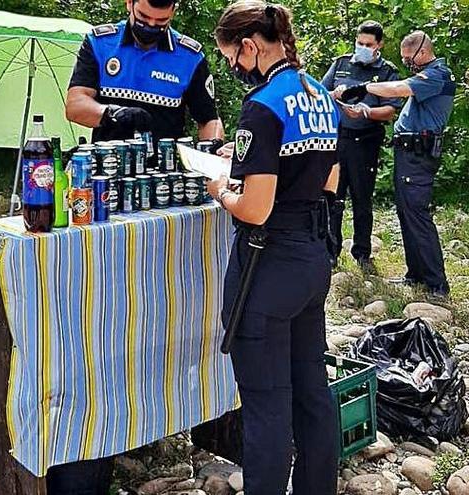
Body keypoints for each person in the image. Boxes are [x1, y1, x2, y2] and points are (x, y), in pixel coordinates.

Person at [207, 1, 340, 493]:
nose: (234, 68)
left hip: (268, 262)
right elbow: (330, 175)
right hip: (311, 257)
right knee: (311, 392)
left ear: (249, 46)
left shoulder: (262, 105)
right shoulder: (319, 93)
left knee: (265, 406)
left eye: (232, 59)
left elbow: (256, 209)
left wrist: (221, 188)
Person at [341, 31, 455, 297]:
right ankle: (416, 274)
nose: (407, 63)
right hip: (409, 154)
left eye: (408, 58)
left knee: (416, 214)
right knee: (406, 212)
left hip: (418, 155)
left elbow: (398, 89)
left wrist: (364, 87)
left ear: (422, 53)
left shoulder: (437, 74)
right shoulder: (429, 73)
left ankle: (437, 283)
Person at [65, 0, 224, 146]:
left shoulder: (190, 57)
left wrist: (212, 152)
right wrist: (114, 113)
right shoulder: (100, 43)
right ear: (129, 3)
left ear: (173, 12)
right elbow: (75, 106)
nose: (151, 25)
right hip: (108, 165)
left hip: (165, 170)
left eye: (161, 21)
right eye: (143, 17)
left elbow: (209, 120)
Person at [321, 21, 402, 272]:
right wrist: (334, 96)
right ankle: (330, 251)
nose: (363, 48)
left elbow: (390, 110)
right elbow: (320, 94)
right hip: (337, 139)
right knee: (332, 197)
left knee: (361, 199)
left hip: (365, 141)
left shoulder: (387, 71)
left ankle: (362, 253)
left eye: (369, 45)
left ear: (379, 45)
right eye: (360, 43)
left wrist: (367, 112)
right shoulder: (342, 63)